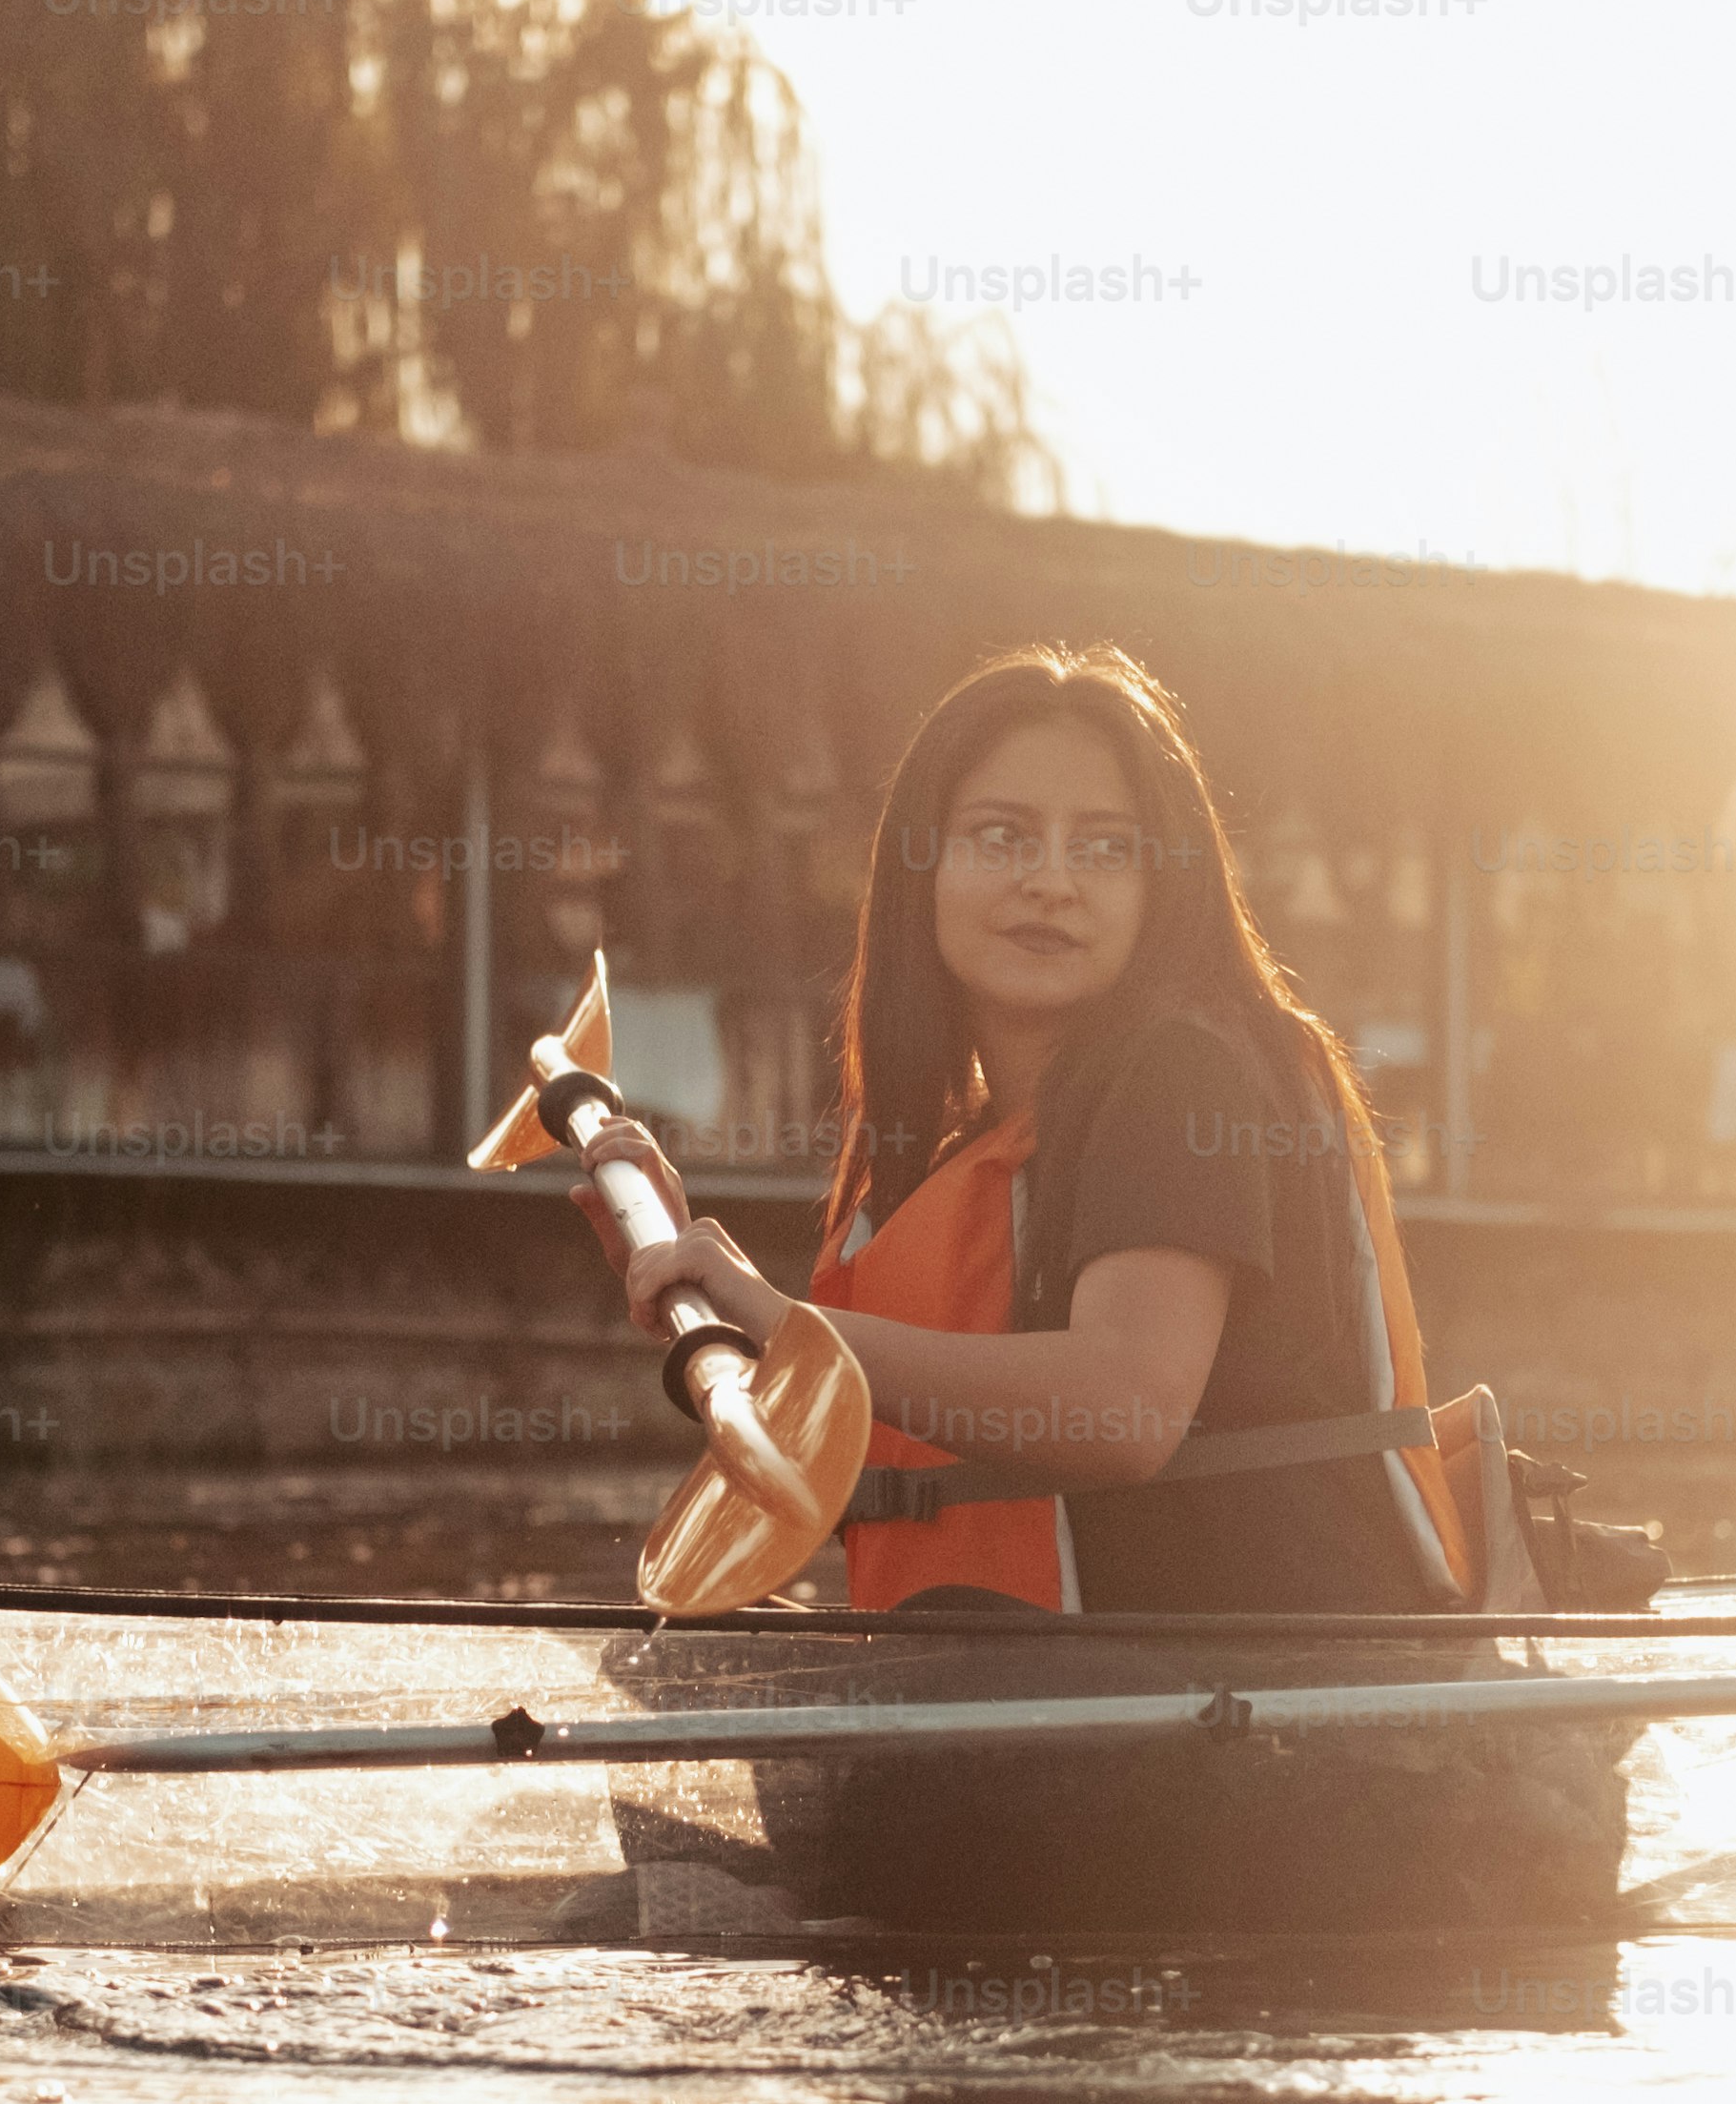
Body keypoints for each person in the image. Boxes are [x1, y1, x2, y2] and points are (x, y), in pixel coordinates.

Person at [573, 643, 1472, 1616]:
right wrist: (693, 1280)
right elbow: (874, 1444)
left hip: (1269, 1695)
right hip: (1061, 1681)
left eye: (1103, 845)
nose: (1052, 880)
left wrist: (774, 1316)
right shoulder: (968, 1146)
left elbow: (1124, 1407)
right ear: (923, 868)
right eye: (1001, 836)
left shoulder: (1181, 1069)